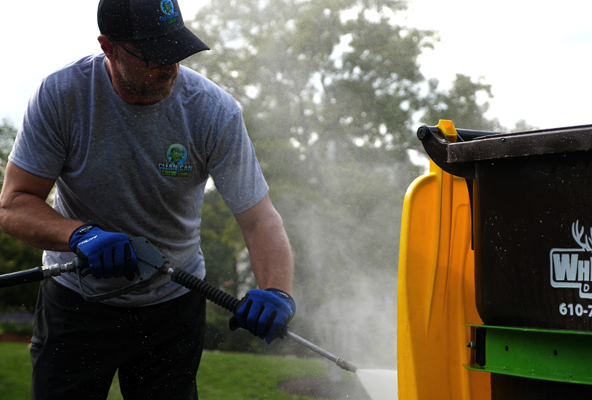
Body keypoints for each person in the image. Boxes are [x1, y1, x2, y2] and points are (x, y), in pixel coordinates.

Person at [0, 0, 295, 399]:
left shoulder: (212, 111)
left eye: (177, 50)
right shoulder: (63, 96)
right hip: (76, 302)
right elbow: (14, 203)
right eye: (154, 55)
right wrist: (80, 235)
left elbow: (260, 219)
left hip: (172, 306)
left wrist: (277, 290)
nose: (170, 66)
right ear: (109, 48)